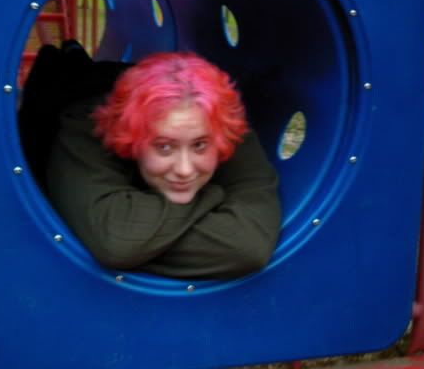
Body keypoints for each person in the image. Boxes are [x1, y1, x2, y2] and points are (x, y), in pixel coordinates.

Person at [43, 49, 282, 279]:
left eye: (199, 145)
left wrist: (137, 245)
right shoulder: (85, 132)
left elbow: (249, 247)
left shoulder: (224, 124)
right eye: (164, 147)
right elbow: (117, 240)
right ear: (132, 139)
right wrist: (213, 195)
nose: (184, 170)